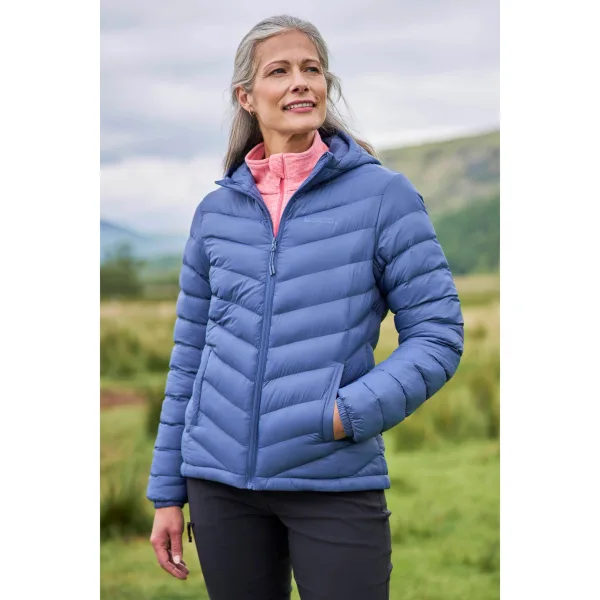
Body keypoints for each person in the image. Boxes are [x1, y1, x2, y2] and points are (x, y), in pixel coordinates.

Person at [147, 14, 464, 600]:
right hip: (220, 486)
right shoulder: (215, 214)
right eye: (279, 71)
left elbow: (438, 334)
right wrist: (168, 489)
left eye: (312, 69)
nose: (300, 81)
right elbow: (190, 356)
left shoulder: (383, 197)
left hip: (332, 477)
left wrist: (343, 415)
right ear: (246, 97)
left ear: (326, 86)